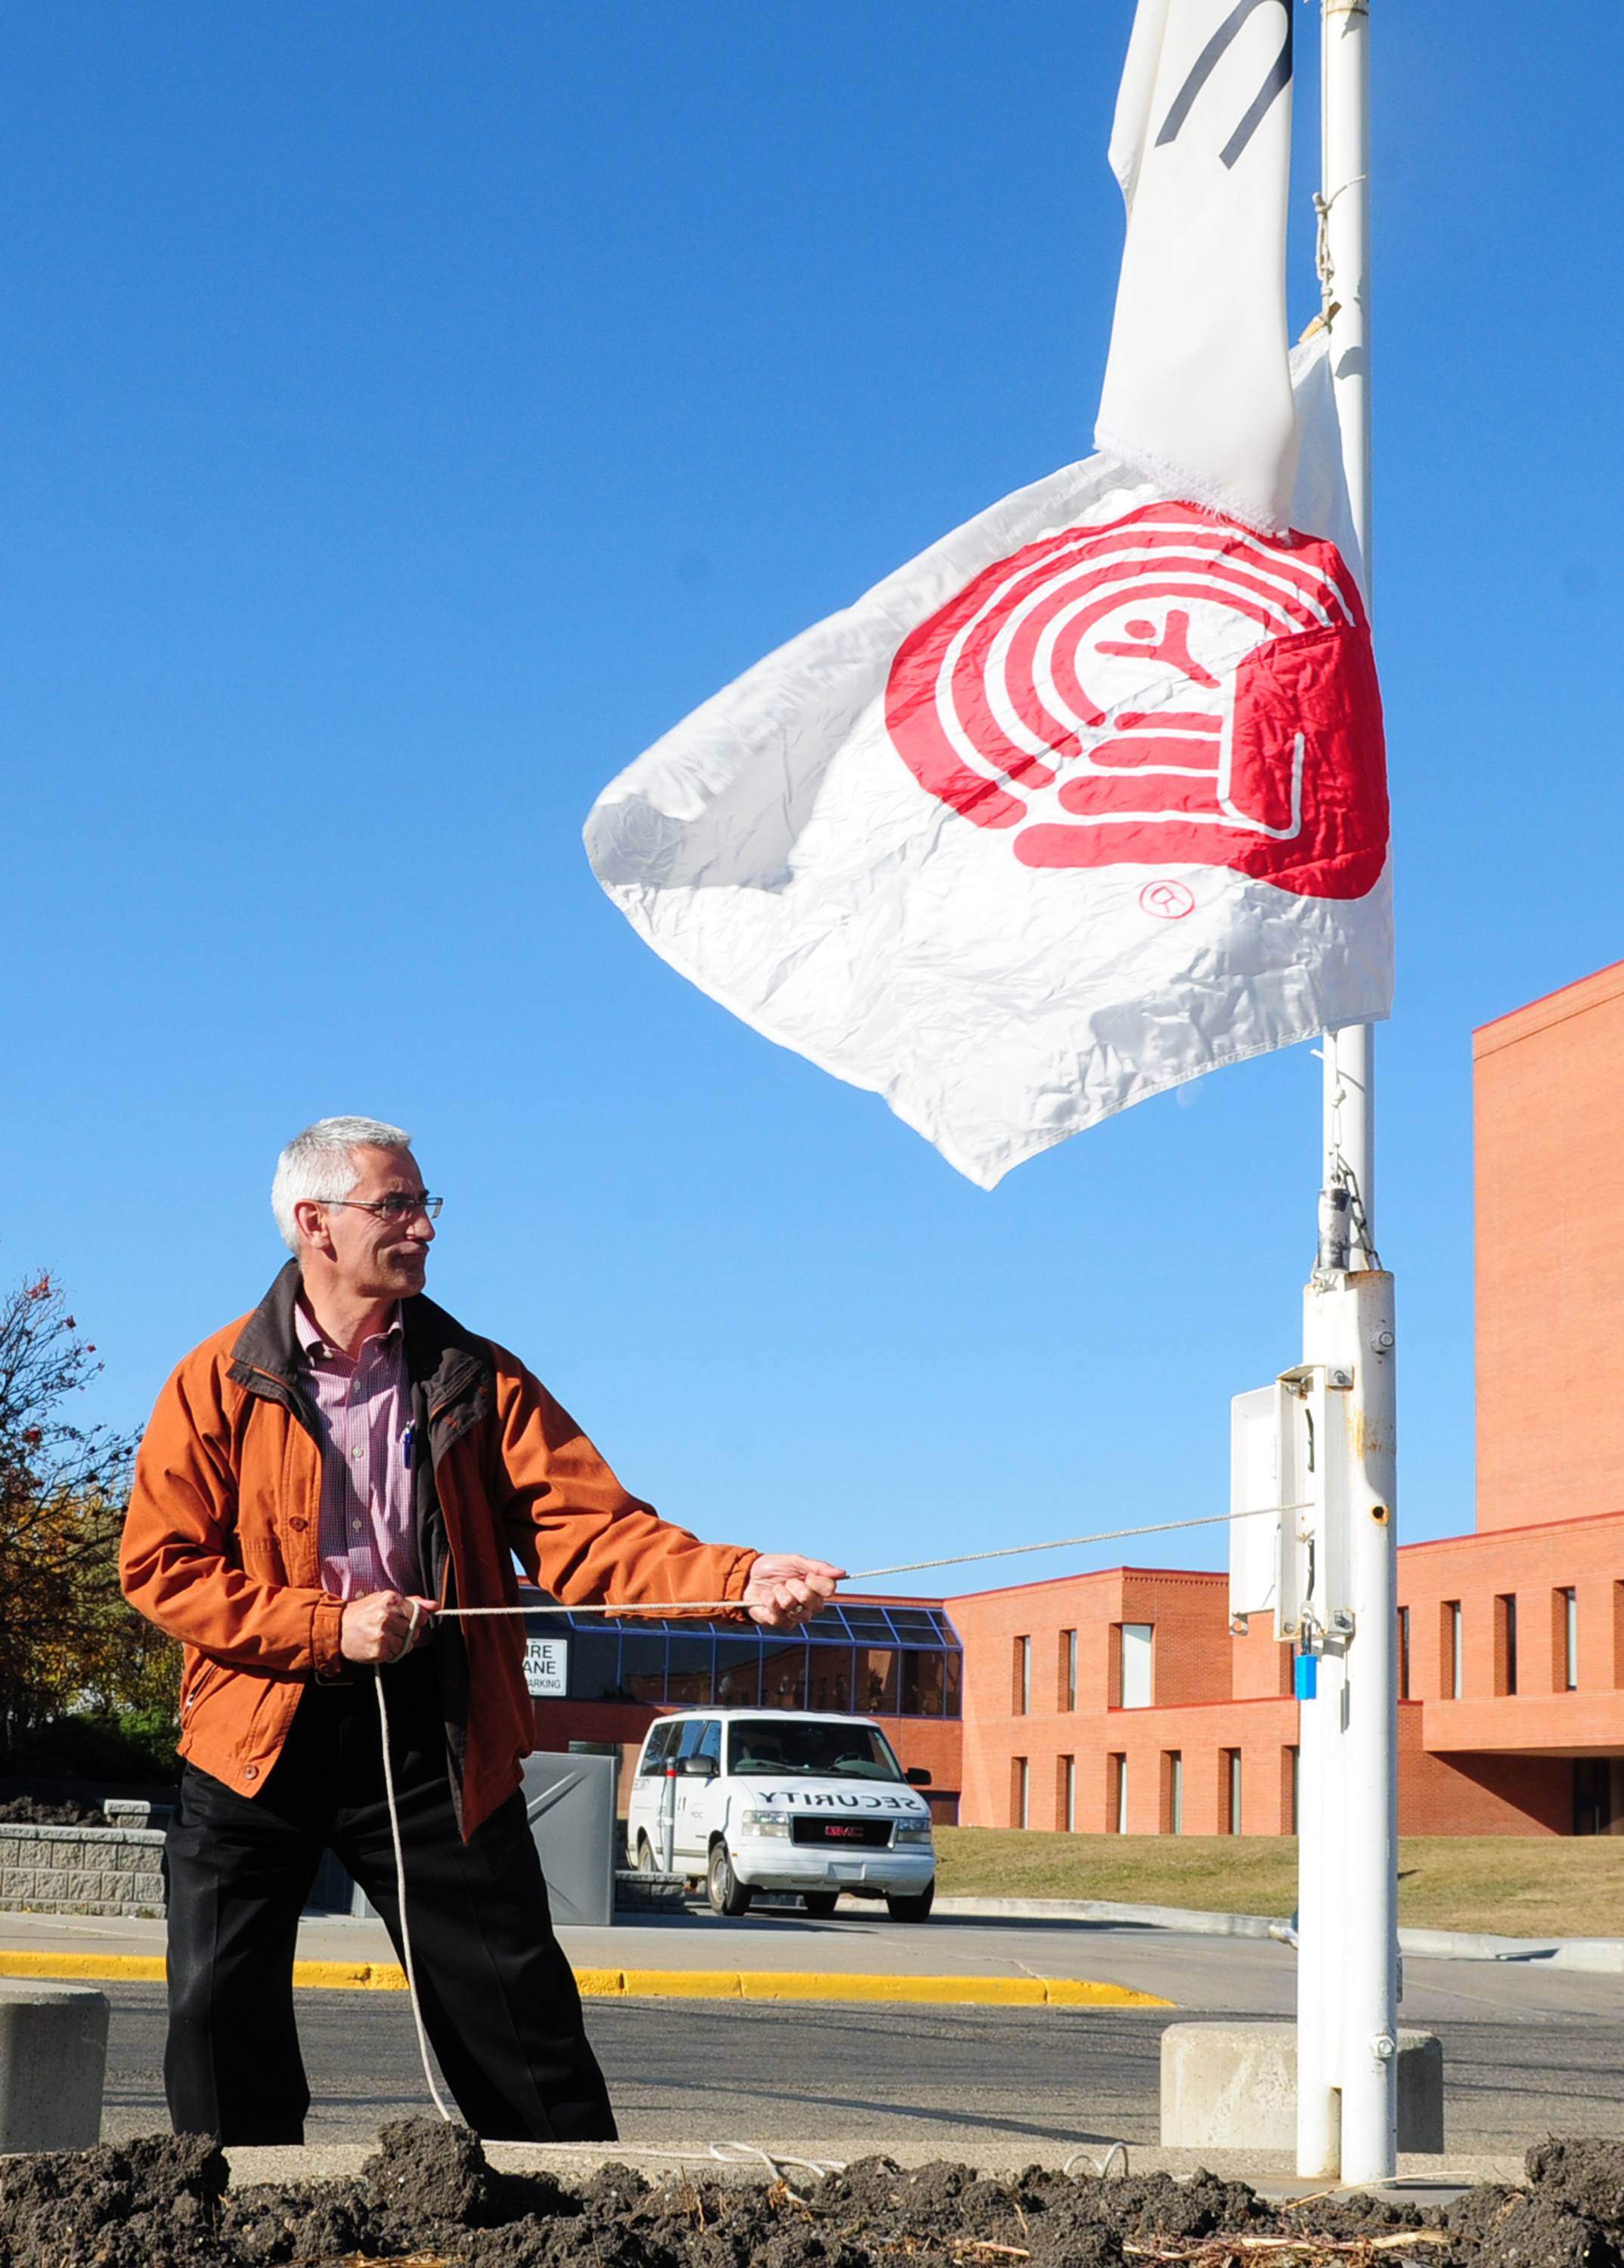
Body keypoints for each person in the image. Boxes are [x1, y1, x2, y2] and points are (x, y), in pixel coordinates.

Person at [119, 1115, 842, 2146]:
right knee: (217, 2015)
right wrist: (328, 1628)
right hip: (251, 1736)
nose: (424, 1227)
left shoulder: (477, 1374)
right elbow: (159, 1567)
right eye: (397, 1204)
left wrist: (740, 1577)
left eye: (426, 1204)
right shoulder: (214, 1379)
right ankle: (241, 2218)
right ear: (313, 1222)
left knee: (516, 2016)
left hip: (436, 1735)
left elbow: (596, 1536)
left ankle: (577, 2223)